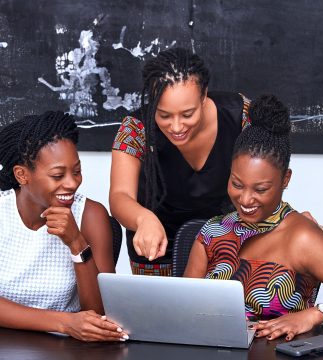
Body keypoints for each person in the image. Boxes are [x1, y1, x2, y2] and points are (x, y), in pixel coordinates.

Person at [184, 94, 323, 340]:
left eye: (260, 189)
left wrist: (315, 315)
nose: (245, 199)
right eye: (237, 183)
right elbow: (182, 309)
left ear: (285, 179)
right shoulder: (212, 232)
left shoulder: (303, 237)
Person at [110, 46, 253, 275]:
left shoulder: (242, 116)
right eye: (163, 115)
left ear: (204, 95)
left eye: (187, 114)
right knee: (160, 311)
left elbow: (266, 179)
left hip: (226, 243)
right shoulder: (135, 129)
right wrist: (143, 219)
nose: (176, 127)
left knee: (220, 310)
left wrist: (286, 219)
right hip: (156, 249)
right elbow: (119, 196)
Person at [0, 111, 128, 342]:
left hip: (64, 349)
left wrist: (77, 243)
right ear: (21, 175)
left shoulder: (90, 215)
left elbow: (101, 313)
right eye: (58, 175)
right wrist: (64, 322)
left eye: (77, 171)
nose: (72, 183)